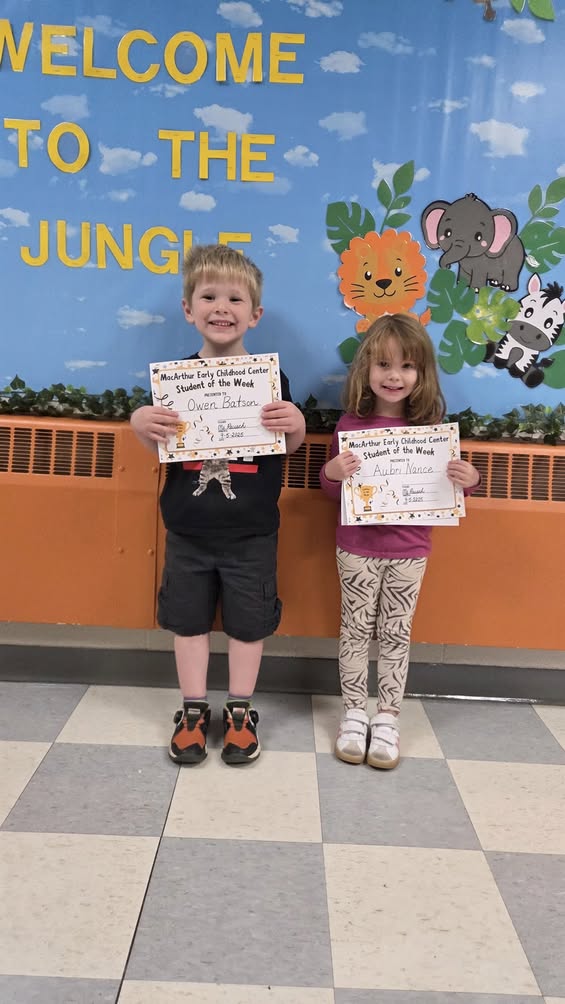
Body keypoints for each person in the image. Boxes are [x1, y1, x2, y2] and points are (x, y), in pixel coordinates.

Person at [131, 244, 305, 766]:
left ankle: (240, 710)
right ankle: (191, 709)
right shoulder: (175, 383)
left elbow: (287, 445)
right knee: (186, 622)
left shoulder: (273, 381)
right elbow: (160, 444)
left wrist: (295, 425)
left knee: (249, 625)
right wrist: (139, 422)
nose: (221, 307)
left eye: (235, 298)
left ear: (255, 314)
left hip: (252, 533)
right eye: (208, 296)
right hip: (187, 531)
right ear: (189, 309)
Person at [320, 313, 480, 770]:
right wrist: (331, 474)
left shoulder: (433, 428)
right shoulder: (350, 425)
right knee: (354, 630)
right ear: (365, 371)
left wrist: (470, 479)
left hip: (410, 550)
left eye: (407, 366)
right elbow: (331, 488)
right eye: (384, 365)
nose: (394, 376)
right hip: (355, 547)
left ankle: (386, 718)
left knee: (395, 632)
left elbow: (452, 485)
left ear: (422, 373)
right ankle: (353, 713)